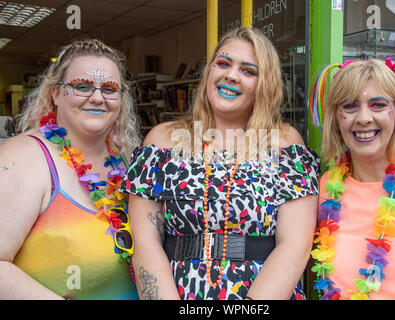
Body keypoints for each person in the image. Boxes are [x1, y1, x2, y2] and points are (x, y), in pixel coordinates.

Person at [120, 27, 320, 300]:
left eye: (248, 71)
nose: (231, 75)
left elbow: (295, 245)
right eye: (223, 63)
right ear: (209, 72)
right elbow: (145, 242)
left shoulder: (283, 143)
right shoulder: (163, 140)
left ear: (265, 84)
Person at [0, 38, 141, 299]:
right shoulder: (23, 158)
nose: (97, 97)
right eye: (83, 86)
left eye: (109, 89)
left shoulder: (125, 160)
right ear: (55, 94)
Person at [308, 58, 395, 300]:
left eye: (378, 105)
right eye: (350, 106)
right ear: (335, 117)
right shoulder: (322, 193)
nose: (363, 117)